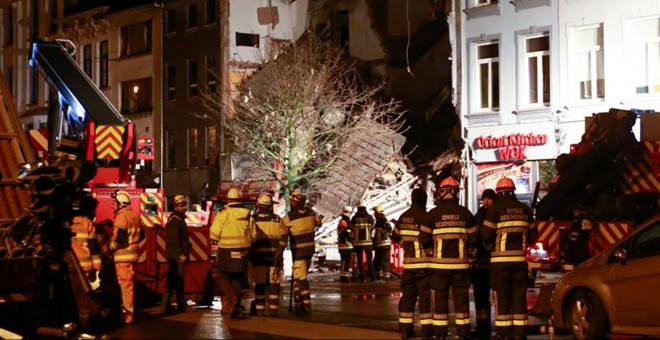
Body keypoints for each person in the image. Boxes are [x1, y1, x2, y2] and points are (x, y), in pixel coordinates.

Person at [482, 177, 537, 339]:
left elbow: (486, 235)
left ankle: (504, 333)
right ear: (513, 191)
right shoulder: (525, 209)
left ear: (498, 192)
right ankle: (520, 333)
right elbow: (533, 235)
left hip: (500, 264)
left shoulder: (495, 209)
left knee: (502, 298)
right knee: (519, 297)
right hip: (519, 263)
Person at [427, 177, 478, 340]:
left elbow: (423, 238)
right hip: (460, 267)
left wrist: (430, 252)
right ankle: (463, 333)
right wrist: (469, 255)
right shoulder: (465, 213)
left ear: (441, 192)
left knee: (440, 300)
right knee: (461, 300)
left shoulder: (433, 214)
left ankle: (440, 334)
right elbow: (475, 237)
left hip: (439, 267)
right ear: (456, 193)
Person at [391, 188, 433, 339]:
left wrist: (403, 242)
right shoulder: (426, 217)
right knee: (425, 298)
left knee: (407, 298)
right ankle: (427, 331)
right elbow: (430, 239)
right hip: (424, 265)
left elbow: (394, 236)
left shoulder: (403, 217)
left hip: (408, 265)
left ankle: (405, 330)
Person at [209, 187, 252, 319]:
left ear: (228, 199)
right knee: (237, 278)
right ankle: (237, 306)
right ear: (239, 199)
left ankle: (233, 299)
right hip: (243, 251)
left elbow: (214, 234)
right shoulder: (247, 214)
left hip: (227, 250)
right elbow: (254, 234)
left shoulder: (224, 213)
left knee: (223, 276)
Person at [282, 188, 321, 316]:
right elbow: (318, 223)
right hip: (309, 251)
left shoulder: (289, 217)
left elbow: (281, 231)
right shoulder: (311, 213)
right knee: (299, 276)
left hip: (298, 252)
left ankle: (307, 304)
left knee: (301, 279)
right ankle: (298, 303)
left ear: (294, 202)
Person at [249, 193, 287, 316]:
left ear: (258, 205)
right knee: (274, 284)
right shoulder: (277, 219)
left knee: (260, 284)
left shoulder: (252, 219)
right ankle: (273, 310)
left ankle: (259, 311)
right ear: (270, 206)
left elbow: (249, 238)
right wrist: (279, 253)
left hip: (258, 258)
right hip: (274, 258)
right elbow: (284, 237)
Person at [109, 190, 143, 324]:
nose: (112, 206)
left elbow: (121, 238)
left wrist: (111, 246)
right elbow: (142, 235)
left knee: (125, 286)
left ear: (120, 203)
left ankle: (127, 315)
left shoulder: (122, 216)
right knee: (128, 285)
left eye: (114, 203)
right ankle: (127, 312)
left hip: (122, 257)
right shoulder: (135, 216)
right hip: (132, 256)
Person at [471, 188, 497, 339]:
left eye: (489, 199)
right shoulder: (480, 214)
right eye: (484, 199)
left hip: (495, 262)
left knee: (500, 299)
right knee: (481, 298)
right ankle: (482, 328)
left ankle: (502, 329)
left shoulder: (496, 213)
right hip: (481, 263)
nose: (486, 202)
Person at [161, 195, 191, 314]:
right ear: (175, 206)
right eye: (181, 205)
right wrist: (181, 254)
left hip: (175, 256)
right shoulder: (176, 220)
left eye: (184, 204)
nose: (184, 207)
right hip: (177, 257)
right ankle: (180, 305)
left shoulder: (177, 219)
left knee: (173, 281)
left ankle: (166, 306)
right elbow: (174, 240)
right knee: (177, 282)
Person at [70, 198, 101, 283]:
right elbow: (93, 246)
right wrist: (97, 267)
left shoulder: (63, 223)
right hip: (85, 266)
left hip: (68, 266)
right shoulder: (87, 222)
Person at [350, 204, 376, 283]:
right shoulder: (369, 217)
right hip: (368, 242)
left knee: (360, 260)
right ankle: (372, 277)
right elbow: (373, 226)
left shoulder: (354, 218)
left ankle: (362, 276)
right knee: (369, 260)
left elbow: (351, 227)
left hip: (358, 243)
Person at [372, 205, 392, 282]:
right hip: (380, 244)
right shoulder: (379, 220)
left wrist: (382, 234)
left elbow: (389, 228)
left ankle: (386, 277)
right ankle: (379, 275)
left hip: (384, 244)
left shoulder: (382, 220)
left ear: (378, 213)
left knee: (384, 261)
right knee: (378, 260)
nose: (374, 214)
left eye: (375, 213)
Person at [337, 206, 354, 283]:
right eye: (350, 213)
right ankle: (343, 277)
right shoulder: (343, 222)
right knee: (344, 261)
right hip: (344, 245)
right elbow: (344, 232)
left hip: (347, 245)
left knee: (347, 261)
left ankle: (345, 275)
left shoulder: (346, 221)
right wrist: (350, 234)